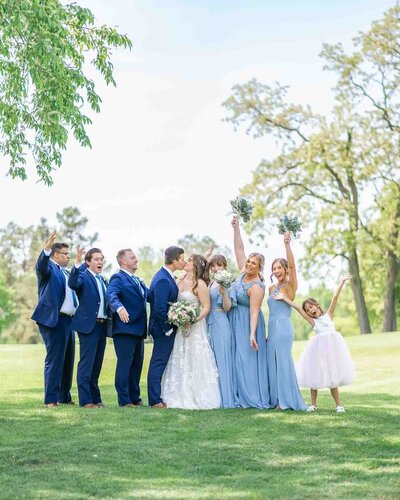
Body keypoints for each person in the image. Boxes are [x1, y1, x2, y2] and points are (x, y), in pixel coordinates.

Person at [274, 274, 355, 413]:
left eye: (312, 307)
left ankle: (338, 404)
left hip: (331, 351)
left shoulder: (329, 315)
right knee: (314, 376)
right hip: (318, 352)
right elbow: (298, 308)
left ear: (317, 305)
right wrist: (285, 298)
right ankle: (313, 404)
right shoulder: (313, 322)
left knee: (333, 378)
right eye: (308, 309)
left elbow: (335, 297)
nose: (311, 310)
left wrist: (341, 282)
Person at [161, 254, 221, 409]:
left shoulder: (200, 283)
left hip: (195, 327)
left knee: (194, 356)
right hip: (181, 328)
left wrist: (192, 320)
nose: (185, 262)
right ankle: (178, 392)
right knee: (180, 355)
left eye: (189, 260)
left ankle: (197, 393)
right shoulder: (179, 280)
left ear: (195, 266)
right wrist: (177, 316)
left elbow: (206, 307)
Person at [31, 231, 78, 407]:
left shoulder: (65, 273)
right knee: (55, 359)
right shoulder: (48, 268)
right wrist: (46, 249)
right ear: (56, 255)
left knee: (68, 360)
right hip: (54, 320)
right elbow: (40, 266)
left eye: (69, 254)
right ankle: (50, 400)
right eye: (65, 254)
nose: (68, 257)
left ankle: (64, 397)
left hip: (69, 321)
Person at [229, 217, 270, 409]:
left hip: (248, 323)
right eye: (249, 261)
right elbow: (239, 249)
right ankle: (236, 393)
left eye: (254, 263)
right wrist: (237, 228)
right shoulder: (241, 273)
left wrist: (252, 334)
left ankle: (252, 396)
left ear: (259, 267)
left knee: (247, 359)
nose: (249, 264)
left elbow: (255, 312)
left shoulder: (257, 287)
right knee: (235, 358)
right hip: (233, 319)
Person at [266, 232, 307, 411]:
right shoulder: (271, 288)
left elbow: (293, 266)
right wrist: (268, 334)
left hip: (284, 328)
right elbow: (271, 312)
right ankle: (276, 399)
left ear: (285, 269)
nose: (276, 271)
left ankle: (285, 401)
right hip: (272, 328)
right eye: (274, 268)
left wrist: (287, 245)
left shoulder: (290, 286)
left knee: (283, 361)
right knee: (272, 362)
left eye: (279, 268)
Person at [106, 249, 150, 407]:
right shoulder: (118, 278)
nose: (136, 260)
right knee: (125, 364)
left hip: (139, 329)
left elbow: (152, 296)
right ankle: (124, 400)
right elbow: (111, 295)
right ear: (123, 261)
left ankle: (135, 398)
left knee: (136, 365)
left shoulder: (139, 281)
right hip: (124, 329)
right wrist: (119, 308)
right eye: (132, 258)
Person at [68, 247, 110, 409]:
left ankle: (96, 399)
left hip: (102, 326)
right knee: (86, 364)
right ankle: (86, 400)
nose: (100, 262)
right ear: (88, 262)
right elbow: (72, 283)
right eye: (96, 259)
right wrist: (77, 263)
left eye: (101, 259)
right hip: (88, 327)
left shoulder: (102, 279)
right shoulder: (83, 277)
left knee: (97, 364)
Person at [147, 246, 186, 408]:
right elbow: (159, 308)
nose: (184, 261)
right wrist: (168, 329)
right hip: (162, 329)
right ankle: (155, 400)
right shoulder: (163, 279)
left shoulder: (166, 276)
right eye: (182, 259)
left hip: (165, 327)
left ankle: (158, 396)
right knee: (158, 362)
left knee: (161, 361)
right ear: (174, 260)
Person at [207, 254, 236, 408]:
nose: (216, 268)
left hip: (220, 322)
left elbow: (227, 307)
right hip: (209, 323)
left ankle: (226, 399)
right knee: (211, 361)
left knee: (222, 361)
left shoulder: (226, 284)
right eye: (213, 266)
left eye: (219, 265)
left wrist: (224, 291)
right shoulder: (211, 282)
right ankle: (214, 396)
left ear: (224, 266)